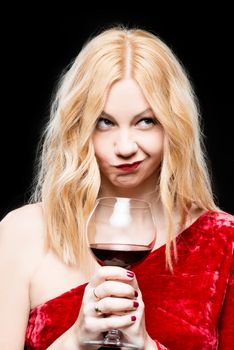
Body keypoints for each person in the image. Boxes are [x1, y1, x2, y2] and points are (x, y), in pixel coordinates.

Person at [0, 25, 233, 350]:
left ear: (175, 126)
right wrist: (75, 341)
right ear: (77, 128)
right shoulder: (21, 232)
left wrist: (147, 347)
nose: (125, 146)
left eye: (146, 121)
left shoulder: (223, 241)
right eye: (104, 122)